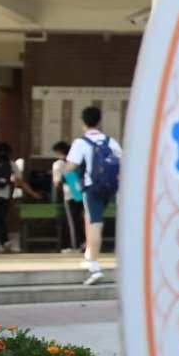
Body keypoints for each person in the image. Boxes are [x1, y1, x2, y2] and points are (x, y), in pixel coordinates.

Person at [65, 105, 121, 284]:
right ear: (99, 122)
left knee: (95, 222)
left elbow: (70, 167)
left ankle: (94, 266)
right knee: (91, 219)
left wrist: (74, 188)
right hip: (109, 188)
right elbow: (121, 162)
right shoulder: (110, 141)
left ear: (83, 122)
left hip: (92, 188)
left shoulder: (81, 142)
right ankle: (89, 255)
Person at [51, 140, 86, 255]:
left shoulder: (58, 164)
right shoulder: (77, 161)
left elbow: (57, 183)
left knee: (72, 222)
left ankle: (75, 246)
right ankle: (83, 243)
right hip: (81, 192)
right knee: (80, 220)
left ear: (58, 152)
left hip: (69, 194)